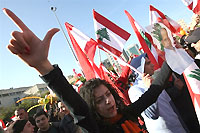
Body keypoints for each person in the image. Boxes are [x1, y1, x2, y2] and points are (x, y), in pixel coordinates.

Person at [4, 8, 172, 132]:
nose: (108, 101)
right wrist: (44, 67)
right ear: (92, 107)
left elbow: (155, 89)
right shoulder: (94, 128)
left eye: (107, 94)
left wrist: (171, 52)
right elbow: (77, 107)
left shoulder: (127, 114)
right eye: (99, 101)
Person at [128, 53, 187, 133]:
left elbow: (166, 101)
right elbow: (152, 114)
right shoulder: (134, 90)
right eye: (148, 63)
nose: (152, 65)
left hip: (178, 126)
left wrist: (177, 89)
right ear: (140, 69)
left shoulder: (154, 81)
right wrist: (150, 89)